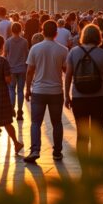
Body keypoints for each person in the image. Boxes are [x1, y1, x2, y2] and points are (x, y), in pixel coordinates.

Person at [64, 23, 103, 160]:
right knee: (98, 135)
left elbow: (68, 76)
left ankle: (85, 169)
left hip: (79, 98)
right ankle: (96, 167)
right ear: (98, 37)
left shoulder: (73, 52)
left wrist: (66, 96)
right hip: (100, 98)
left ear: (83, 36)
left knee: (82, 135)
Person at [23, 20, 68, 164]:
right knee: (57, 123)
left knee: (36, 122)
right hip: (56, 91)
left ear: (42, 31)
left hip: (39, 90)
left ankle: (35, 150)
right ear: (56, 33)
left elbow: (30, 71)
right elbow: (66, 70)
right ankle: (57, 152)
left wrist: (27, 89)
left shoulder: (35, 49)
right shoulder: (63, 50)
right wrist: (67, 93)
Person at [0, 34, 24, 159]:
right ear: (2, 46)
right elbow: (8, 79)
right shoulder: (3, 61)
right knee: (7, 121)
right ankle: (16, 143)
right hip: (1, 93)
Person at [4, 22, 29, 121]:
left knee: (11, 90)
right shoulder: (24, 41)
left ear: (11, 30)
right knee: (20, 91)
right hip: (22, 69)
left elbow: (5, 55)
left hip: (11, 69)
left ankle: (11, 109)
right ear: (20, 29)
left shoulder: (8, 41)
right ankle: (20, 111)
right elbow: (27, 54)